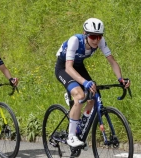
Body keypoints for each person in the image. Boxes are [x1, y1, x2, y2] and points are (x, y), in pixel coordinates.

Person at [55, 18, 130, 148]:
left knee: (94, 97)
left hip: (78, 66)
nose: (96, 40)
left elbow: (112, 61)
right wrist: (85, 83)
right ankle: (71, 136)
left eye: (99, 37)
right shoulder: (75, 41)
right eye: (93, 36)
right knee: (79, 95)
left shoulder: (100, 42)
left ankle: (79, 127)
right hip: (64, 67)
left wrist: (121, 79)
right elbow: (68, 68)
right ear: (85, 34)